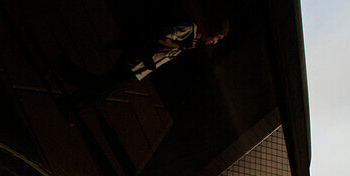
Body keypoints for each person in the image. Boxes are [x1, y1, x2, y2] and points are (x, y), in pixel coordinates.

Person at [63, 17, 229, 109]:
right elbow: (162, 38)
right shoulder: (188, 29)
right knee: (104, 87)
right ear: (211, 31)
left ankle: (71, 94)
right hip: (137, 62)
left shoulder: (192, 39)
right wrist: (180, 45)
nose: (214, 42)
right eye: (217, 38)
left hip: (141, 68)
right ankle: (71, 99)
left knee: (106, 85)